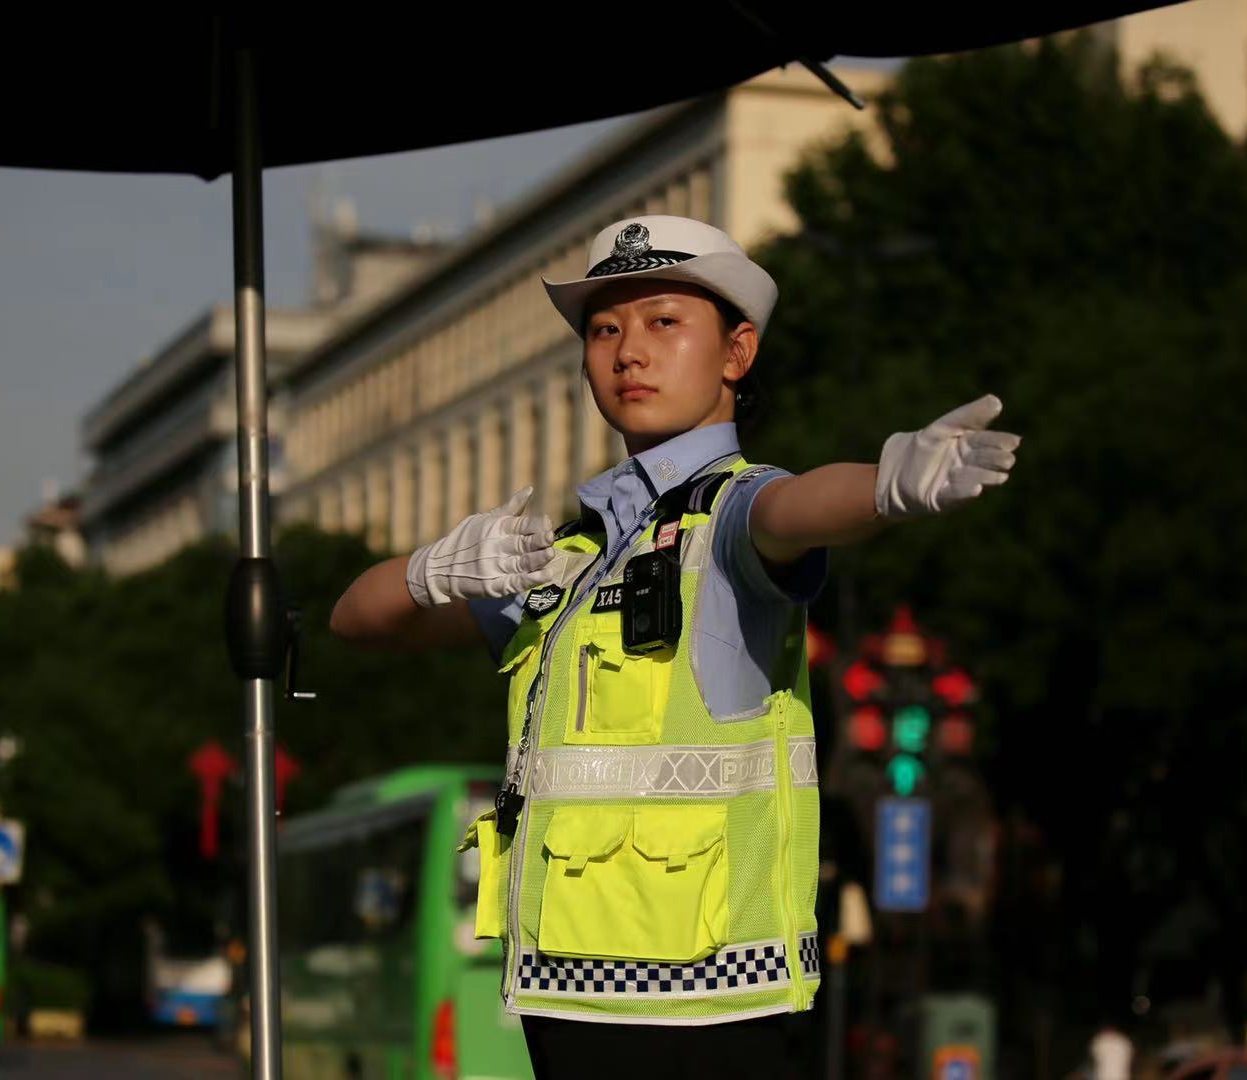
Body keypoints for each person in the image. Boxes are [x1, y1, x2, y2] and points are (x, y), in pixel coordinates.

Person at [330, 215, 1020, 1079]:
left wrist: (886, 485)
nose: (628, 352)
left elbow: (797, 508)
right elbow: (355, 620)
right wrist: (434, 568)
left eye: (664, 322)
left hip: (707, 998)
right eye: (604, 330)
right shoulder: (568, 563)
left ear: (737, 354)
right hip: (564, 987)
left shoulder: (731, 515)